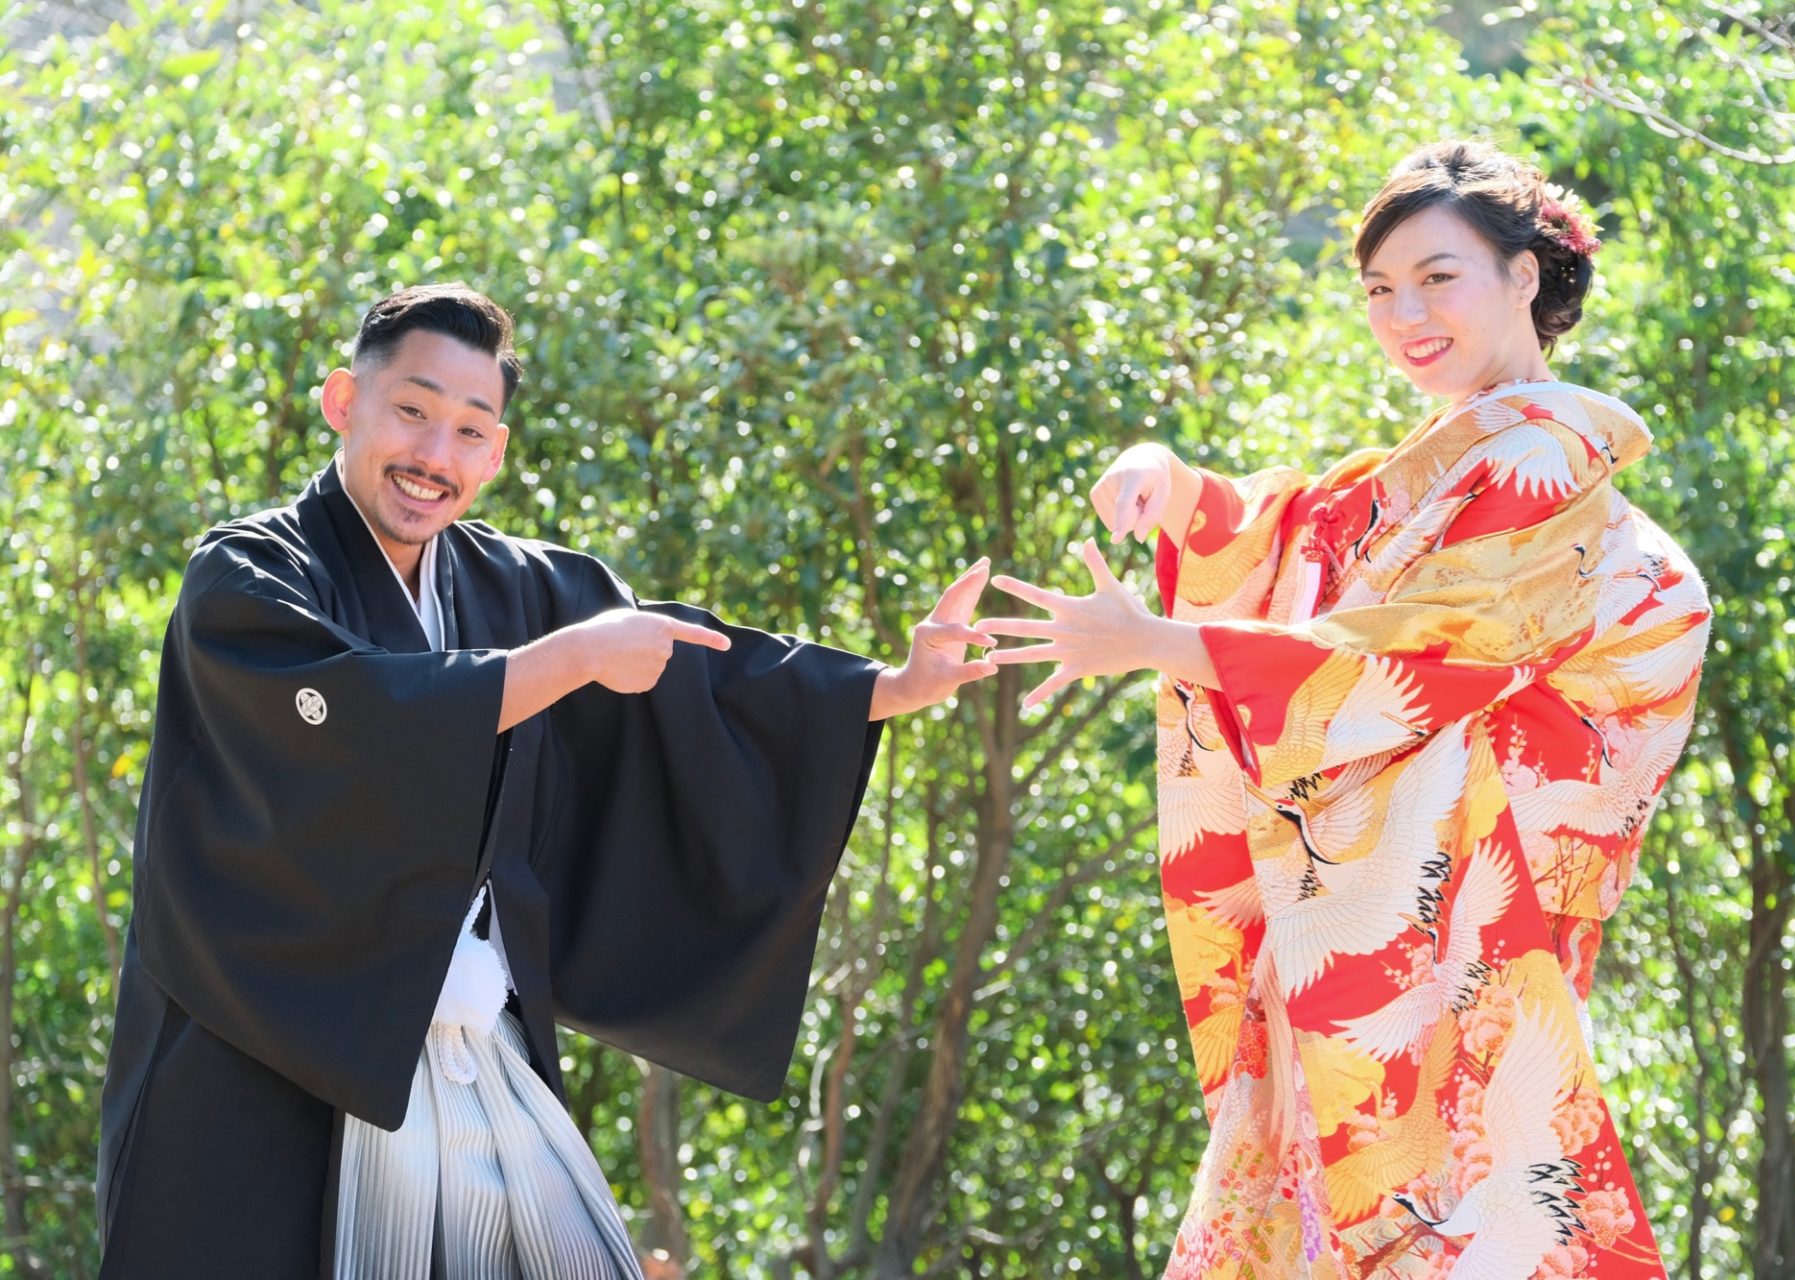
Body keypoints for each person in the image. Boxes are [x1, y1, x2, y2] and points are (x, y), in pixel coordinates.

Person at [94, 284, 997, 1277]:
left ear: (498, 450)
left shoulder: (514, 586)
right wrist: (567, 659)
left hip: (472, 1047)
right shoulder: (249, 573)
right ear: (343, 400)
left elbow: (693, 674)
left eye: (469, 429)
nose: (436, 456)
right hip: (277, 1066)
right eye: (411, 410)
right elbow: (355, 714)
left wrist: (894, 685)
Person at [985, 140, 1709, 1276]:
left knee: (1454, 1208)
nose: (1403, 312)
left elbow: (1409, 653)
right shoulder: (1440, 467)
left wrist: (1154, 641)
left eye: (1436, 276)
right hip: (1394, 923)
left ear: (1525, 275)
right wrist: (1173, 484)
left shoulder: (1542, 462)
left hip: (1461, 928)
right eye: (1378, 288)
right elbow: (1303, 532)